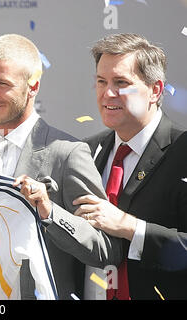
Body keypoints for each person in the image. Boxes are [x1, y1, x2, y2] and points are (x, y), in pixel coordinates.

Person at [0, 34, 123, 299]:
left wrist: (50, 213)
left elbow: (106, 249)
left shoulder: (67, 153)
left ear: (33, 86)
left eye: (2, 84)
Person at [73, 33, 187, 300]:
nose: (107, 93)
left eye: (121, 82)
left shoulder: (183, 150)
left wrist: (130, 228)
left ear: (155, 90)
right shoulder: (83, 152)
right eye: (101, 81)